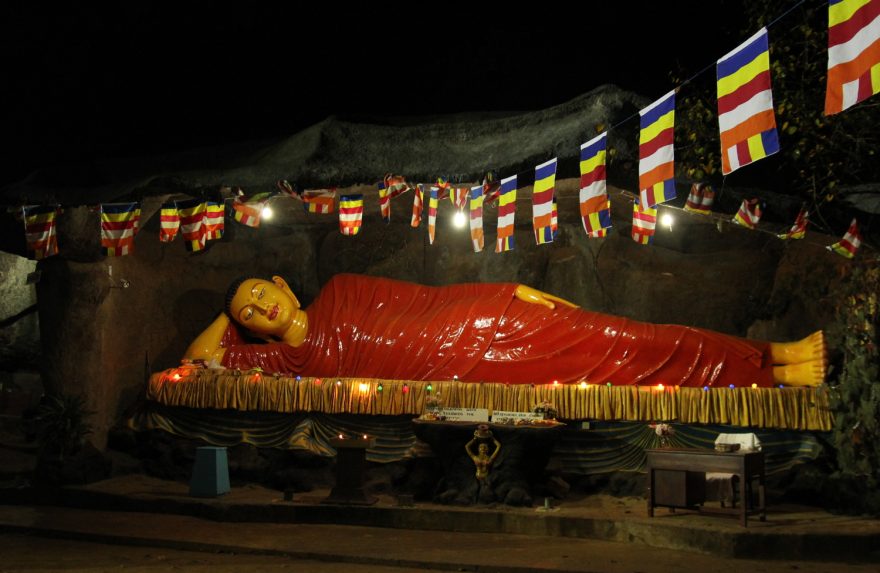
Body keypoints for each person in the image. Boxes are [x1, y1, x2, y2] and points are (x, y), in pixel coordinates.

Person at [183, 273, 826, 387]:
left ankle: (772, 354)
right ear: (250, 331)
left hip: (481, 319)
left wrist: (507, 291)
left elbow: (428, 297)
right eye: (249, 312)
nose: (261, 306)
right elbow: (197, 357)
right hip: (475, 370)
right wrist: (225, 309)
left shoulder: (343, 289)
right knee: (619, 367)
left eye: (261, 291)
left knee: (625, 335)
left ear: (284, 284)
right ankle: (772, 376)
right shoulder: (281, 364)